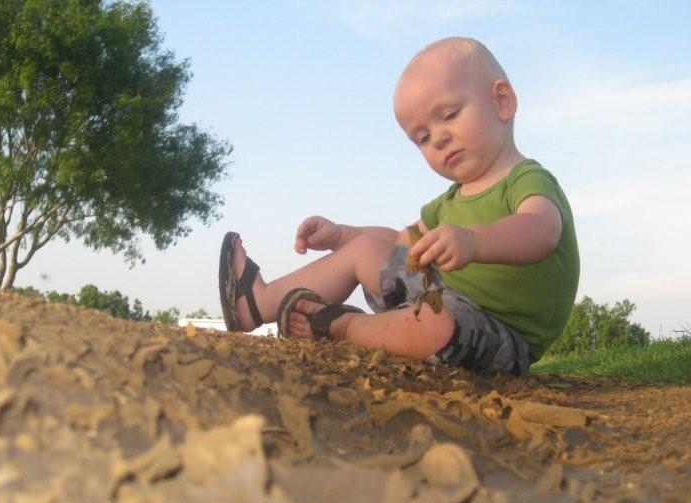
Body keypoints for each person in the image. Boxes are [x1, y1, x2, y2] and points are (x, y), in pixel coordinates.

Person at [218, 37, 579, 375]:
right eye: (422, 137)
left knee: (434, 324)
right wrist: (342, 235)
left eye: (449, 114)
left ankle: (342, 325)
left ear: (501, 101)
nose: (438, 138)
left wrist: (473, 241)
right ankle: (255, 304)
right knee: (366, 250)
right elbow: (398, 242)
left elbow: (541, 230)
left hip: (500, 335)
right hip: (441, 300)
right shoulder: (448, 203)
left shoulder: (525, 178)